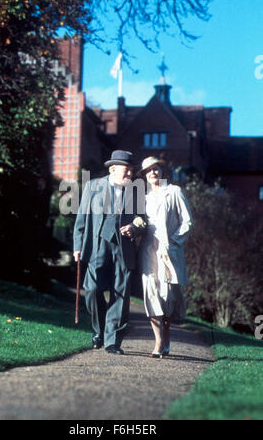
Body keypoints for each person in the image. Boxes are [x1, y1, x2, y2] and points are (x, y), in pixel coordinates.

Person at [73, 150, 146, 355]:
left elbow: (144, 219)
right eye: (127, 170)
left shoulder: (136, 191)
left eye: (132, 170)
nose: (130, 174)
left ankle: (112, 340)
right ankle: (99, 330)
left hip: (124, 246)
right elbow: (81, 219)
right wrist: (77, 246)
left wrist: (135, 227)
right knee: (92, 288)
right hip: (98, 244)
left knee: (120, 294)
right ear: (113, 169)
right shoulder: (93, 186)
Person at [137, 156, 193, 358]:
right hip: (148, 249)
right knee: (150, 293)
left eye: (156, 169)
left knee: (167, 296)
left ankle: (166, 339)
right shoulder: (143, 197)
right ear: (144, 175)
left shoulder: (174, 192)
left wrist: (174, 241)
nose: (153, 173)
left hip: (169, 251)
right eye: (149, 170)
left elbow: (187, 222)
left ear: (161, 171)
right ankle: (158, 343)